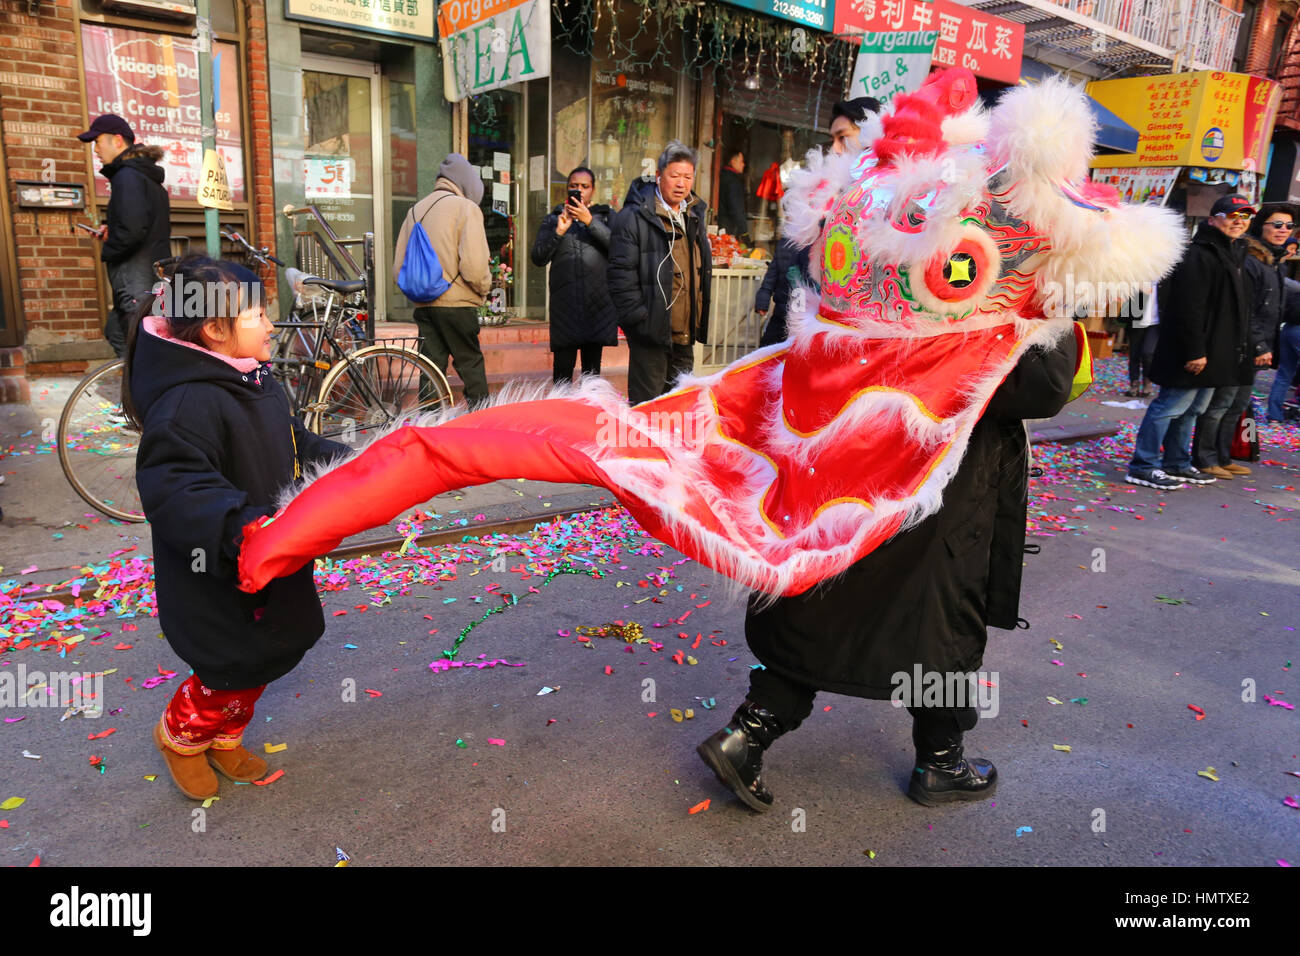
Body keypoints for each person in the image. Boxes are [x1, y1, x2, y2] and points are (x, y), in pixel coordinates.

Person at [697, 330, 1079, 810]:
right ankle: (941, 761)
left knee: (825, 604)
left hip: (848, 465)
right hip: (938, 486)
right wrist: (1058, 306)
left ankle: (748, 734)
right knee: (941, 623)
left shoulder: (856, 261)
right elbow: (1041, 385)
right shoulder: (994, 271)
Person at [125, 256, 349, 800]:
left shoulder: (255, 381)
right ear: (216, 329)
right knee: (232, 666)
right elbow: (176, 486)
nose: (271, 325)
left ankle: (226, 735)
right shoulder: (186, 403)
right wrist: (241, 527)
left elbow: (295, 442)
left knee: (267, 654)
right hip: (221, 568)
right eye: (258, 314)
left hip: (272, 556)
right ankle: (181, 734)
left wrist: (354, 459)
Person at [1126, 195, 1254, 490]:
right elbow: (1188, 306)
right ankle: (1143, 464)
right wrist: (1194, 349)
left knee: (1192, 410)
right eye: (1231, 215)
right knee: (1169, 407)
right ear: (1212, 220)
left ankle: (1177, 462)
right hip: (1194, 351)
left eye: (1245, 216)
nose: (1239, 221)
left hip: (1217, 351)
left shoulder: (1234, 254)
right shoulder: (1198, 254)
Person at [607, 140, 712, 405]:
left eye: (688, 177)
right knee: (647, 410)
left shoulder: (694, 215)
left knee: (679, 408)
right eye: (674, 175)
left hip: (684, 332)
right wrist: (639, 321)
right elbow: (620, 275)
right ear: (658, 176)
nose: (681, 183)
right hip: (650, 333)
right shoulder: (634, 217)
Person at [1191, 200, 1287, 479]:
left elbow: (1272, 309)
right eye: (1277, 224)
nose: (1283, 230)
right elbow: (1247, 310)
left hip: (1254, 347)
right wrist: (1258, 344)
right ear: (1262, 227)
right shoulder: (1250, 259)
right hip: (1239, 345)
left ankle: (1221, 455)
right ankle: (1205, 457)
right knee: (1218, 405)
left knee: (1235, 406)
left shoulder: (1274, 262)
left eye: (1289, 226)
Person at [393, 153, 492, 408]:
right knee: (469, 364)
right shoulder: (466, 208)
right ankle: (481, 423)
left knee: (431, 370)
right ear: (466, 183)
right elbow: (474, 267)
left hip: (424, 305)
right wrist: (483, 289)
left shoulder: (415, 210)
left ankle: (430, 426)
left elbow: (398, 269)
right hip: (458, 303)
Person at [77, 114, 170, 358]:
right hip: (148, 275)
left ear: (117, 140)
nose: (95, 150)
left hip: (135, 279)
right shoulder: (143, 177)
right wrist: (114, 229)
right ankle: (139, 392)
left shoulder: (127, 177)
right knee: (119, 334)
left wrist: (110, 246)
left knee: (137, 347)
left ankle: (144, 394)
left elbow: (133, 231)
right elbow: (140, 223)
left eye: (97, 142)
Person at [530, 167, 618, 384]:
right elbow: (538, 257)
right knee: (562, 376)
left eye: (584, 187)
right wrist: (559, 231)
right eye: (574, 186)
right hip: (565, 308)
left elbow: (619, 249)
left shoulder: (606, 218)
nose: (579, 191)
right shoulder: (553, 219)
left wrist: (590, 222)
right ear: (567, 190)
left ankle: (587, 417)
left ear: (593, 190)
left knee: (592, 377)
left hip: (596, 307)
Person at [754, 238, 813, 347]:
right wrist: (763, 299)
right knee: (768, 350)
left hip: (808, 315)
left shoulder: (818, 243)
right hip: (782, 312)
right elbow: (772, 275)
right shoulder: (784, 243)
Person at [1268, 276, 1300, 423]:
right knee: (1285, 373)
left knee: (1284, 374)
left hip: (1289, 328)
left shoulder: (1295, 288)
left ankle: (1274, 416)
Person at [1120, 283, 1158, 397]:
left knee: (1148, 353)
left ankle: (1147, 381)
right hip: (1136, 321)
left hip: (1155, 323)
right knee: (1134, 353)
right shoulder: (1141, 277)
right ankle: (1134, 383)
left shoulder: (1164, 279)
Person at [716, 149, 749, 242]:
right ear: (733, 161)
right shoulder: (733, 182)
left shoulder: (723, 176)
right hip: (727, 227)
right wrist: (744, 233)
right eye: (741, 161)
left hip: (720, 224)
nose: (743, 164)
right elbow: (736, 208)